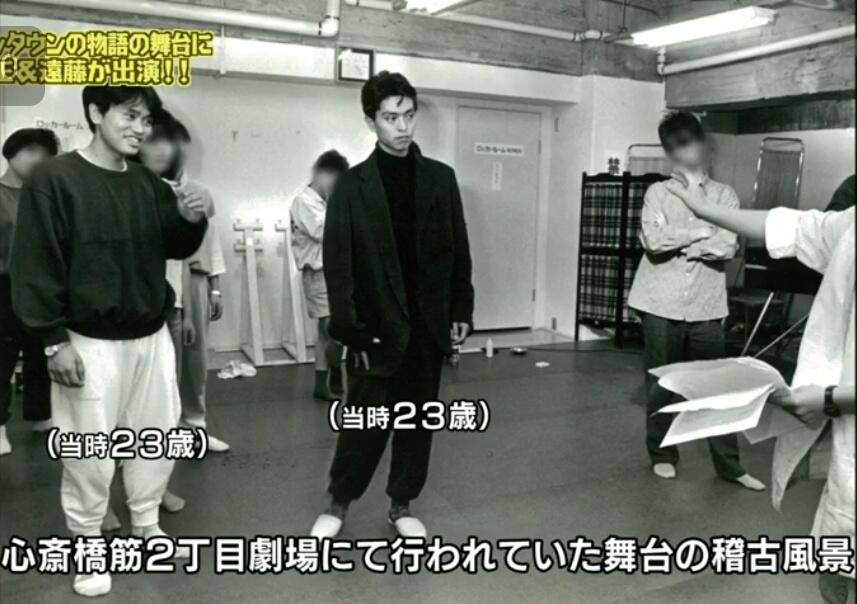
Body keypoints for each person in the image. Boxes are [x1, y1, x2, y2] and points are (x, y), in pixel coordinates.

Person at [9, 86, 207, 597]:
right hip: (87, 340)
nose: (141, 129)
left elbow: (174, 244)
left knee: (155, 437)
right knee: (89, 452)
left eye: (147, 120)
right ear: (96, 113)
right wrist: (53, 340)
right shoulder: (55, 179)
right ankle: (88, 542)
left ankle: (146, 524)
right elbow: (35, 263)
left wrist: (191, 218)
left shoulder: (147, 182)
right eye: (130, 115)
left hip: (150, 335)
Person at [665, 170, 854, 604]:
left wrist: (830, 399)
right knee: (834, 578)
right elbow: (785, 225)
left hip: (841, 414)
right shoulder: (852, 224)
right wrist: (703, 207)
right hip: (848, 465)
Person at [310, 71, 474, 539]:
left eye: (408, 115)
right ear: (371, 122)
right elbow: (338, 263)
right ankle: (339, 502)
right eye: (390, 118)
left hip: (427, 325)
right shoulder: (351, 185)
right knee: (364, 423)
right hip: (374, 326)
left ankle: (401, 504)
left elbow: (458, 249)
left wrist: (460, 310)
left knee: (417, 421)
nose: (402, 127)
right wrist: (349, 329)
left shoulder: (441, 178)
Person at [627, 111, 765, 491]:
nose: (684, 152)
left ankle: (730, 467)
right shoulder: (658, 193)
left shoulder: (724, 195)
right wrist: (701, 232)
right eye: (674, 146)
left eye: (689, 142)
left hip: (706, 306)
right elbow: (653, 242)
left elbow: (728, 247)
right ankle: (662, 455)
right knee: (662, 384)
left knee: (716, 388)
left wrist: (684, 238)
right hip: (659, 303)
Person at [171, 117, 230, 453]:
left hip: (195, 280)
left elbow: (212, 242)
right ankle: (156, 434)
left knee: (195, 361)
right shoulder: (148, 191)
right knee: (164, 364)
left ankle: (195, 427)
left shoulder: (200, 193)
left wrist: (215, 288)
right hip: (162, 283)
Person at [0, 128, 58, 455]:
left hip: (39, 284)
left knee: (40, 353)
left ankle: (41, 416)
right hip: (4, 285)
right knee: (2, 357)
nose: (39, 159)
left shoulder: (44, 197)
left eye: (46, 154)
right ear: (12, 153)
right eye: (32, 151)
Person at [290, 150, 348, 401]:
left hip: (336, 271)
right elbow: (324, 232)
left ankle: (323, 381)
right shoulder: (304, 202)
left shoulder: (325, 202)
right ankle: (334, 371)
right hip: (318, 272)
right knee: (332, 328)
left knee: (328, 333)